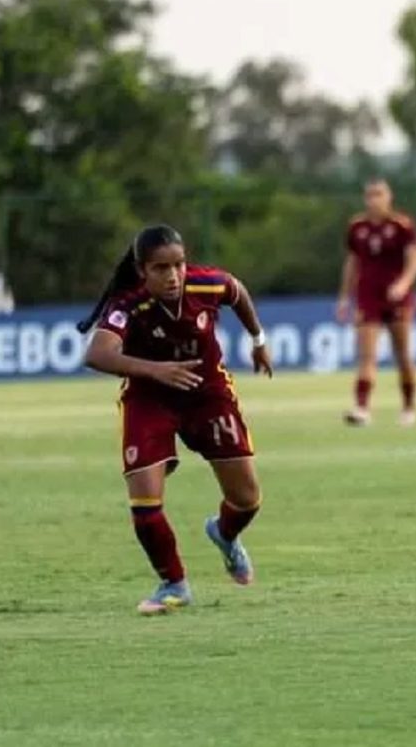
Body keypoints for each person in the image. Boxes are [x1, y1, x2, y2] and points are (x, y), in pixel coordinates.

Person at [77, 224, 273, 615]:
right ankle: (174, 583)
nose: (173, 276)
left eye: (179, 265)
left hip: (208, 394)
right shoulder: (127, 303)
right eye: (161, 268)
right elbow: (97, 354)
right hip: (149, 399)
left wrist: (258, 340)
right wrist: (156, 370)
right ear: (142, 270)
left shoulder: (207, 284)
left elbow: (239, 293)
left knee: (247, 499)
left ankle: (224, 534)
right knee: (145, 499)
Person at [337, 179, 416, 427]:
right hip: (368, 297)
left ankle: (408, 406)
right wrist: (344, 297)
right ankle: (362, 408)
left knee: (403, 355)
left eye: (379, 194)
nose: (374, 200)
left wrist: (403, 284)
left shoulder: (402, 225)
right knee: (366, 355)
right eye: (370, 195)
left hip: (397, 298)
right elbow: (352, 263)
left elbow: (414, 260)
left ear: (389, 197)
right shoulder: (357, 227)